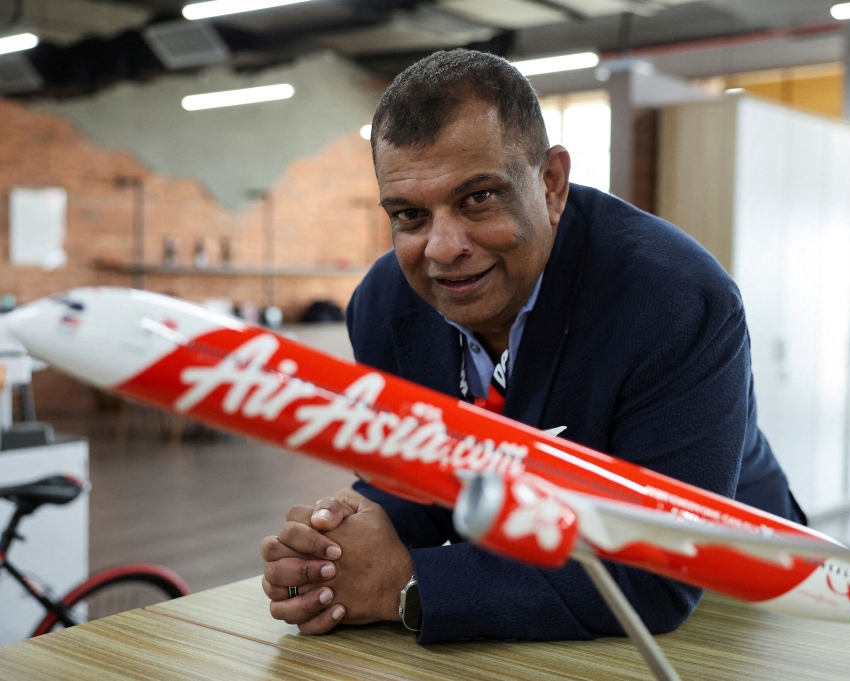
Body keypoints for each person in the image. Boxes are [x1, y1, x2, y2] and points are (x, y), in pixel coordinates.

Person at [259, 49, 805, 644]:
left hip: (745, 597)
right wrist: (336, 548)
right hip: (530, 592)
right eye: (410, 215)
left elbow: (658, 570)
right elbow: (420, 480)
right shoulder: (384, 308)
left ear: (550, 184)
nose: (442, 247)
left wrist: (407, 585)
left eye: (478, 198)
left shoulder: (675, 300)